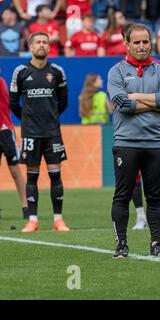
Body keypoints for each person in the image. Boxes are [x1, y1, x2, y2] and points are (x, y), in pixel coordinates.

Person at [107, 24, 160, 258]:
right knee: (122, 195)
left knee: (155, 196)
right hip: (126, 142)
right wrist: (153, 103)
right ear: (127, 43)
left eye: (145, 42)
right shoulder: (116, 71)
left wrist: (135, 97)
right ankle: (122, 245)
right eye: (136, 42)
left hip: (155, 142)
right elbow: (121, 104)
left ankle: (156, 243)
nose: (142, 46)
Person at [9, 31, 70, 233]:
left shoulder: (58, 71)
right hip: (30, 133)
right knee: (32, 176)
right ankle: (32, 220)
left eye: (45, 42)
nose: (42, 45)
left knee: (55, 175)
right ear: (31, 46)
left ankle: (58, 220)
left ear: (49, 46)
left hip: (52, 132)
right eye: (38, 42)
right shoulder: (21, 71)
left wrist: (50, 117)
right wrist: (27, 119)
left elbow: (63, 102)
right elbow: (13, 103)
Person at [0, 75, 27, 219]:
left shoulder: (1, 82)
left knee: (14, 169)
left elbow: (7, 105)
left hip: (4, 130)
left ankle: (26, 207)